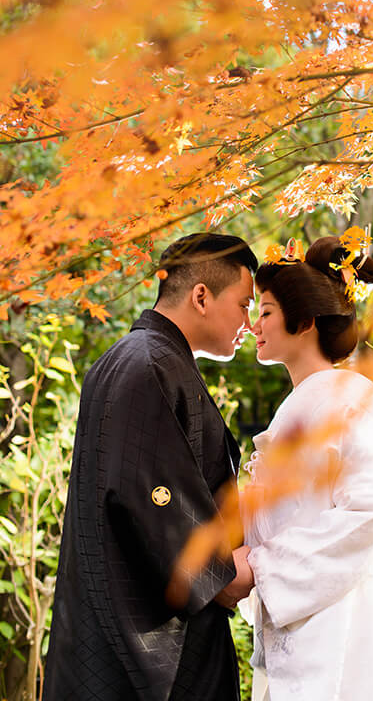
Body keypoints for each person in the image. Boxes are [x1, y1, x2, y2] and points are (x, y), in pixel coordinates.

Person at [43, 232, 258, 701]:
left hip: (118, 629)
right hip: (144, 651)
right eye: (244, 304)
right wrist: (224, 572)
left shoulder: (137, 359)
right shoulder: (148, 365)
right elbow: (150, 498)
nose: (249, 321)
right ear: (201, 296)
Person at [240, 235, 373, 701]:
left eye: (265, 312)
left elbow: (372, 514)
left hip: (343, 642)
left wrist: (261, 568)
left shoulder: (341, 415)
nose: (254, 324)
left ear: (303, 322)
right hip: (305, 635)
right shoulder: (305, 417)